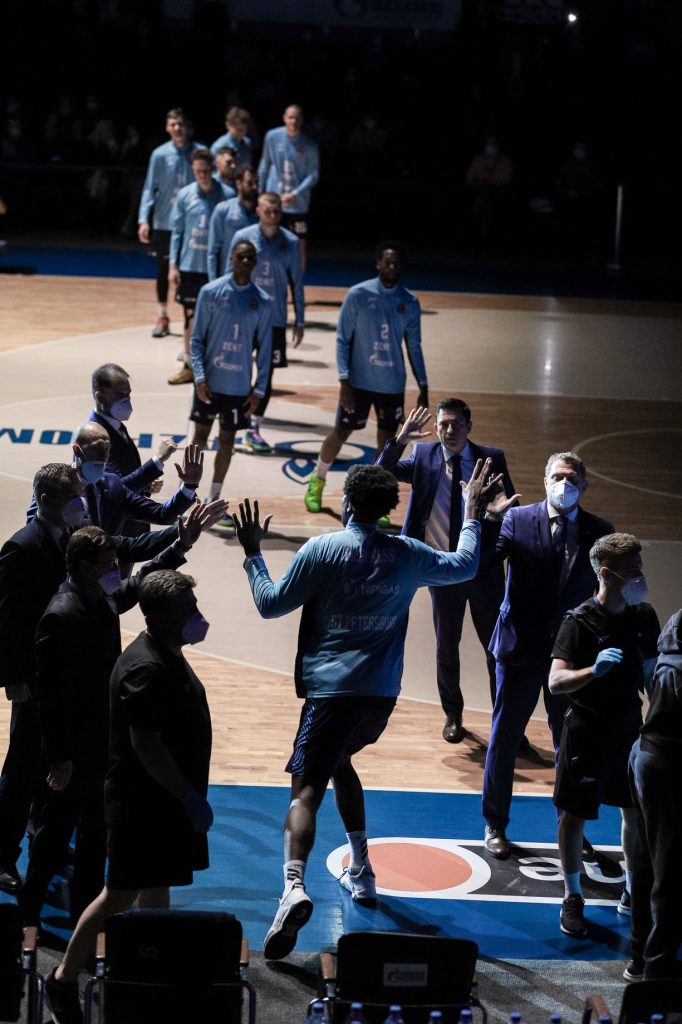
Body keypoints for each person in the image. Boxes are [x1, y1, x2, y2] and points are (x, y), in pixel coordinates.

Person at [234, 459, 500, 960]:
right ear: (386, 510)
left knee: (304, 793)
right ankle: (363, 868)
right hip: (380, 699)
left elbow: (269, 603)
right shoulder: (408, 553)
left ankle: (292, 886)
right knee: (341, 763)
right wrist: (471, 511)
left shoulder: (322, 549)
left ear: (349, 504)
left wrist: (252, 553)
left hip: (330, 694)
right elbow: (465, 564)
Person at [18, 501, 225, 929]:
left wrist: (179, 545)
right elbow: (49, 696)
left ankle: (85, 922)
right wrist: (58, 756)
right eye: (110, 563)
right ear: (82, 565)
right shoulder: (61, 614)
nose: (118, 569)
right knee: (51, 842)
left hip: (100, 745)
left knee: (95, 845)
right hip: (72, 751)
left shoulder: (99, 597)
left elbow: (143, 586)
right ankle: (26, 921)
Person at [0, 465, 178, 896]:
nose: (82, 504)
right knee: (24, 769)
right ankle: (2, 855)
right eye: (72, 497)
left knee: (54, 772)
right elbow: (7, 618)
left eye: (81, 495)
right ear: (44, 499)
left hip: (76, 677)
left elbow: (134, 547)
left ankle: (48, 844)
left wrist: (181, 535)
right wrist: (13, 677)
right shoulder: (21, 547)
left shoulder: (81, 540)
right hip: (38, 679)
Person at [45, 569, 214, 1024]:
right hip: (143, 807)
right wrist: (187, 796)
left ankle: (146, 970)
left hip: (162, 806)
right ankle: (61, 981)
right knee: (117, 897)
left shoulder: (164, 652)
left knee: (156, 888)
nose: (198, 618)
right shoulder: (145, 667)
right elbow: (146, 743)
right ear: (161, 619)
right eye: (189, 612)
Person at [481, 451, 614, 859]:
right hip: (520, 648)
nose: (564, 484)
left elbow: (604, 595)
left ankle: (569, 827)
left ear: (585, 486)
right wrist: (487, 520)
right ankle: (495, 825)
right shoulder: (517, 519)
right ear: (544, 480)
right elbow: (484, 563)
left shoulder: (600, 531)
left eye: (572, 479)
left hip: (569, 656)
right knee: (505, 739)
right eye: (558, 476)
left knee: (569, 743)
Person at [377, 401, 518, 741]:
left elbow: (510, 510)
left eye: (456, 424)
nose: (449, 431)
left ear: (470, 425)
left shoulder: (491, 458)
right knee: (446, 647)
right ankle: (452, 715)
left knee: (495, 648)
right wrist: (400, 439)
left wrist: (498, 526)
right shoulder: (425, 455)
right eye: (443, 425)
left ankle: (504, 722)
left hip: (483, 570)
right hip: (443, 568)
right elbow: (383, 471)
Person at [548, 533, 659, 938]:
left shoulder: (644, 616)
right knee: (574, 816)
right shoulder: (578, 621)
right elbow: (556, 682)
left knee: (635, 814)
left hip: (630, 732)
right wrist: (592, 671)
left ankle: (632, 889)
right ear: (608, 574)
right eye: (633, 571)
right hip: (586, 733)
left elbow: (650, 675)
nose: (641, 577)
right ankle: (572, 895)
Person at [305, 242, 428, 516]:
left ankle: (373, 500)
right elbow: (341, 339)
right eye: (388, 262)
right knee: (341, 432)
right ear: (378, 263)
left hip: (391, 385)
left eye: (397, 262)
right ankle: (317, 479)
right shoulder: (358, 295)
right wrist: (344, 380)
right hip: (358, 383)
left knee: (386, 444)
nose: (392, 267)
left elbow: (415, 346)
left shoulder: (409, 301)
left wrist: (423, 385)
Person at [189, 240, 273, 525]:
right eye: (241, 257)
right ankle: (188, 494)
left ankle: (214, 498)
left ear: (256, 262)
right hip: (209, 382)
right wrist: (199, 377)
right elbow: (196, 339)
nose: (246, 262)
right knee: (199, 438)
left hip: (238, 387)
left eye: (251, 258)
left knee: (227, 441)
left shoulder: (262, 300)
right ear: (231, 258)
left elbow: (265, 348)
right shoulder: (211, 292)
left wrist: (259, 389)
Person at [628, 608, 682, 980]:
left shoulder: (678, 623)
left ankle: (639, 959)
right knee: (670, 876)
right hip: (668, 764)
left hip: (646, 753)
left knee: (646, 868)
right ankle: (657, 976)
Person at [229, 192, 304, 453]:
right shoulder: (242, 238)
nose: (273, 216)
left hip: (274, 320)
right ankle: (231, 420)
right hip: (242, 316)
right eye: (268, 211)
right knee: (235, 368)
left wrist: (300, 319)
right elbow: (229, 277)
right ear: (258, 211)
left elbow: (297, 281)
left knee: (265, 376)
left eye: (277, 212)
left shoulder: (291, 242)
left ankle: (253, 428)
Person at [88, 363, 178, 560]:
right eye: (119, 394)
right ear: (100, 397)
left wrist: (145, 486)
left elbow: (120, 478)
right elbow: (113, 489)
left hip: (128, 528)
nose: (126, 400)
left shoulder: (113, 424)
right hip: (115, 533)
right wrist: (158, 460)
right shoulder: (96, 435)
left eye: (128, 393)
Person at [57, 423, 203, 536]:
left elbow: (163, 515)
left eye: (107, 449)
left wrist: (189, 485)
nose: (103, 456)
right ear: (76, 450)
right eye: (96, 449)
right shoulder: (54, 484)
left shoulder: (113, 484)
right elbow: (37, 530)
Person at [167, 149, 233, 385]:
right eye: (198, 171)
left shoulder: (226, 195)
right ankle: (189, 366)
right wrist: (173, 265)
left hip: (215, 268)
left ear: (213, 168)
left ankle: (215, 366)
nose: (203, 174)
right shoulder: (185, 195)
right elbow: (177, 232)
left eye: (206, 170)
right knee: (190, 318)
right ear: (193, 171)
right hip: (189, 267)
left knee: (218, 319)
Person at [137, 108, 204, 338]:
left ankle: (196, 322)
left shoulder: (200, 152)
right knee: (163, 270)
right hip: (165, 222)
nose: (177, 128)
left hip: (193, 223)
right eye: (173, 124)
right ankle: (162, 316)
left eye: (180, 124)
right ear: (167, 127)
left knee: (194, 271)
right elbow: (149, 188)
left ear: (187, 127)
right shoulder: (159, 154)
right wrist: (143, 219)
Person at [258, 104, 319, 273]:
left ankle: (297, 286)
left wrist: (295, 193)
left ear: (302, 120)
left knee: (299, 244)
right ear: (285, 118)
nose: (294, 121)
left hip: (297, 203)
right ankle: (268, 280)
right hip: (274, 202)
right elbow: (264, 165)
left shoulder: (309, 145)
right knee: (268, 241)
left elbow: (313, 175)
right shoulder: (272, 136)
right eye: (291, 117)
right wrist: (261, 194)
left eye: (297, 118)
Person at [207, 166, 259, 281]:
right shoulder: (222, 210)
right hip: (228, 279)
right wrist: (213, 282)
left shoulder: (262, 213)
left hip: (255, 281)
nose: (255, 187)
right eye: (250, 183)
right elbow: (213, 252)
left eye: (256, 183)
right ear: (239, 184)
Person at [210, 106, 253, 171]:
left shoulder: (247, 143)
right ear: (228, 125)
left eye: (243, 129)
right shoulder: (219, 146)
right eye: (238, 130)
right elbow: (213, 171)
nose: (241, 133)